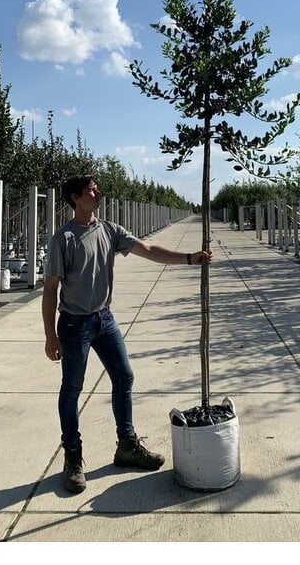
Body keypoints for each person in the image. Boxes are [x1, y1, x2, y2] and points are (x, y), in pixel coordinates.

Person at [42, 174, 213, 494]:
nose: (98, 193)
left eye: (96, 189)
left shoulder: (109, 230)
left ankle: (127, 445)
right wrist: (51, 336)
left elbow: (149, 250)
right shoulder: (63, 238)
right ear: (76, 198)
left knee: (124, 377)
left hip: (104, 319)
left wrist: (189, 259)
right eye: (91, 190)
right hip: (74, 325)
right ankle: (73, 455)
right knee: (72, 389)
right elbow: (50, 289)